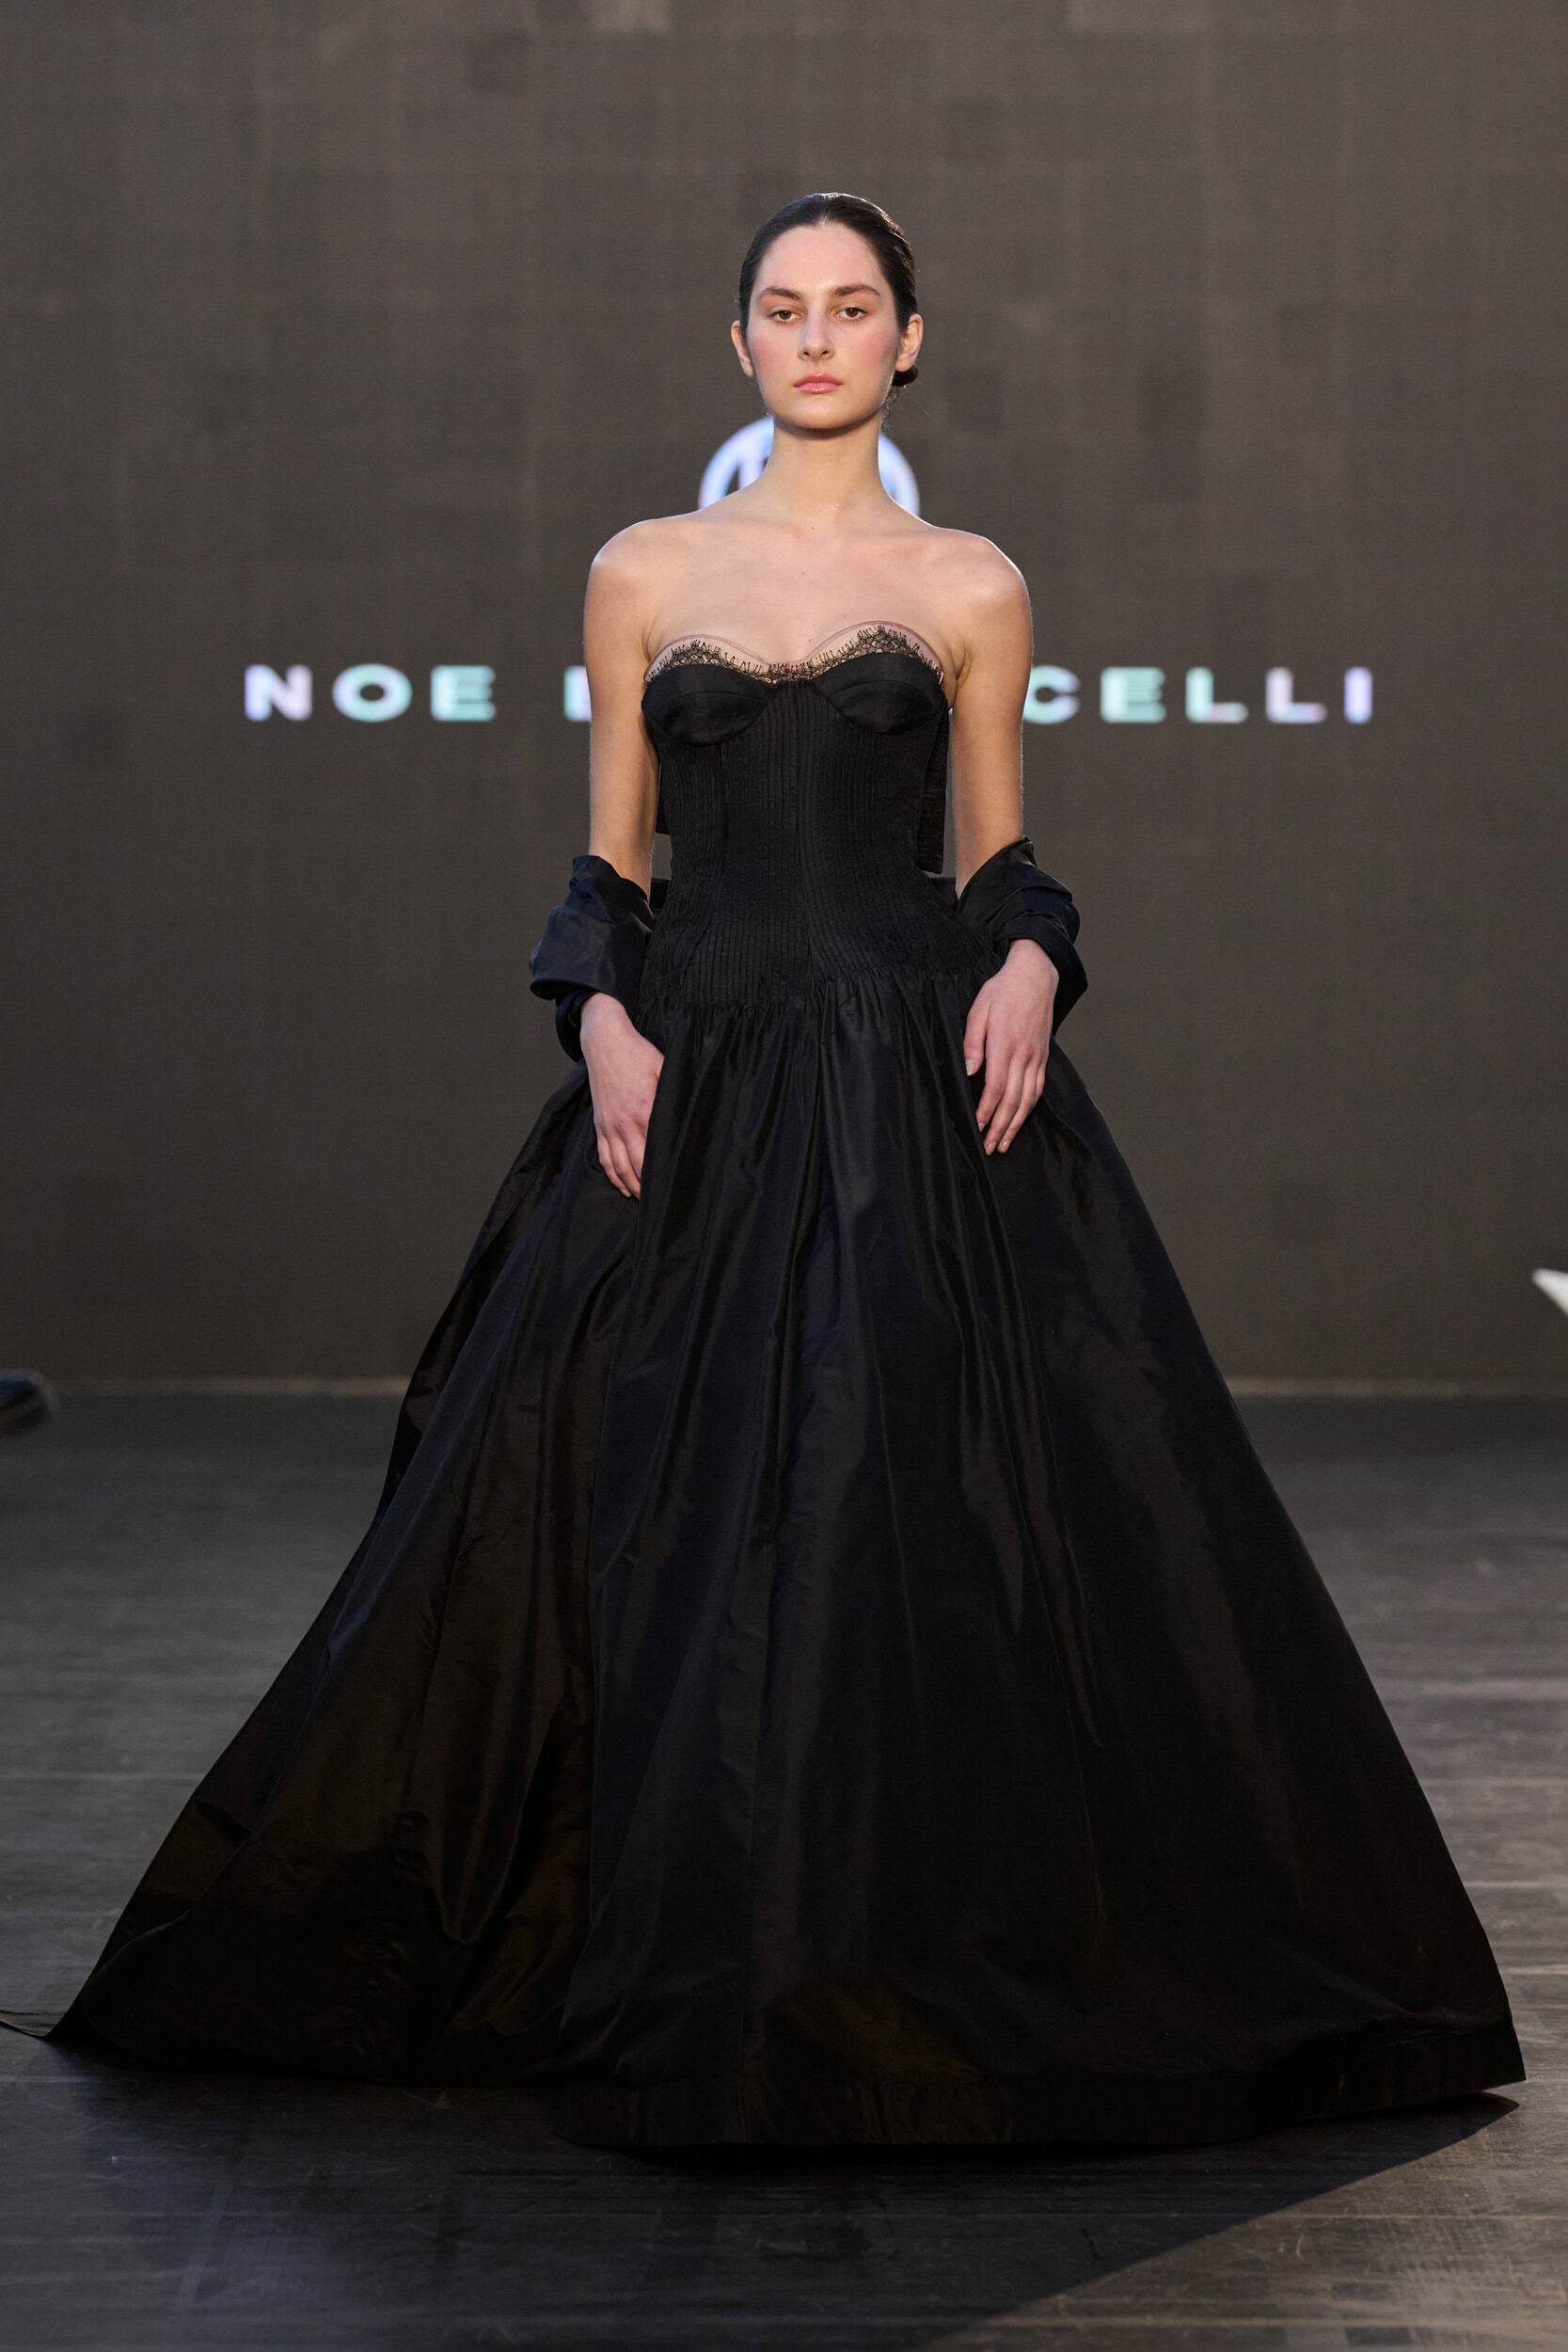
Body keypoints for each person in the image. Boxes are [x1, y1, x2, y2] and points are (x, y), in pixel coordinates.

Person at [42, 195, 1519, 2147]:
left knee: (902, 1499)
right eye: (783, 307)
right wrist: (599, 1017)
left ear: (911, 339)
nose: (817, 335)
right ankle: (677, 1939)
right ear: (736, 340)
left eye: (854, 306)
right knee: (634, 1508)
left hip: (911, 1078)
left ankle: (885, 1949)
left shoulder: (973, 582)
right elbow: (608, 866)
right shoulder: (641, 569)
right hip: (692, 1067)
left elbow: (1002, 858)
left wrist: (1028, 965)